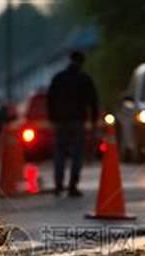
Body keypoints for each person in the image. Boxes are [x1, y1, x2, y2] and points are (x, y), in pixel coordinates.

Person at [47, 50, 99, 197]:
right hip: (78, 121)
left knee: (60, 153)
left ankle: (58, 185)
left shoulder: (59, 78)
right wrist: (93, 121)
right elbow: (93, 102)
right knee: (77, 154)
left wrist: (52, 118)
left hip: (61, 121)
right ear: (82, 62)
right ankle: (72, 186)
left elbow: (50, 99)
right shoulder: (84, 79)